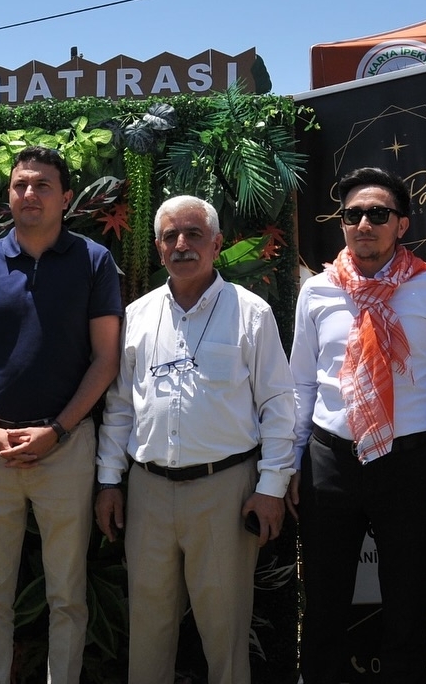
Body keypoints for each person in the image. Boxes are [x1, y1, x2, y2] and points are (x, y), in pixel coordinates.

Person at [95, 195, 296, 684]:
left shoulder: (251, 313)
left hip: (224, 493)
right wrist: (109, 481)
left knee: (225, 635)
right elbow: (120, 406)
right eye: (171, 236)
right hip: (148, 493)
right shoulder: (138, 316)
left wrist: (271, 487)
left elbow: (277, 404)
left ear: (217, 243)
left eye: (194, 234)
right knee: (148, 632)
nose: (182, 245)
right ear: (159, 247)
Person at [0, 146, 122, 683]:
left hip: (65, 449)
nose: (30, 194)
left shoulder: (94, 261)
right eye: (21, 184)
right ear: (9, 195)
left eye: (43, 185)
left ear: (66, 198)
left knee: (67, 594)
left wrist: (58, 430)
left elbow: (107, 358)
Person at [286, 166, 426, 684]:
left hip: (409, 463)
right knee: (323, 603)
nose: (364, 224)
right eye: (353, 214)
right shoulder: (317, 291)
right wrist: (292, 463)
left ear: (401, 225)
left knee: (407, 604)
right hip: (329, 462)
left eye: (378, 214)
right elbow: (301, 385)